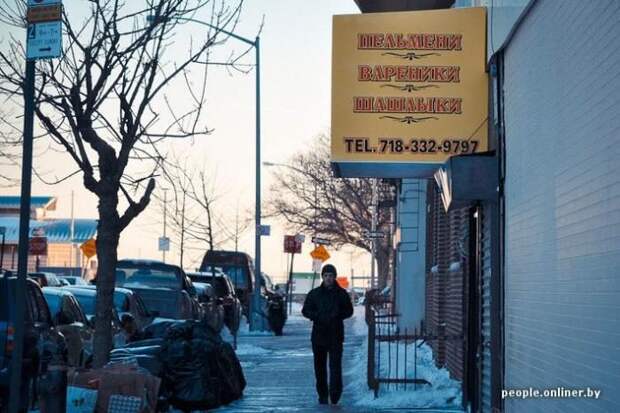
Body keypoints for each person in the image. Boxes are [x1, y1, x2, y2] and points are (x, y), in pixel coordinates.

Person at [302, 264, 354, 405]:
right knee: (320, 368)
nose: (328, 278)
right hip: (318, 335)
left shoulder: (341, 294)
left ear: (334, 277)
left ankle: (335, 394)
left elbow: (349, 311)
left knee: (335, 366)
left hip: (335, 334)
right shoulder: (314, 294)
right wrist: (317, 316)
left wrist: (337, 315)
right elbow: (305, 310)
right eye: (326, 276)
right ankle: (323, 394)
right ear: (322, 277)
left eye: (331, 276)